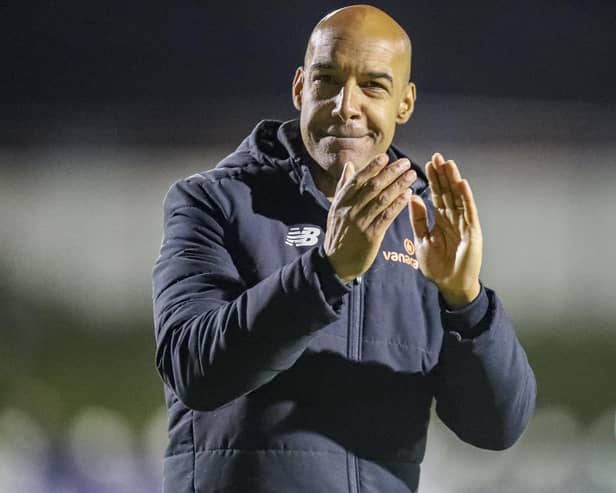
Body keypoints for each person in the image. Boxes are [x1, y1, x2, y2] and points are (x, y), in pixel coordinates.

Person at [152, 5, 536, 493]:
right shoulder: (213, 202)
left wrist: (467, 302)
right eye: (327, 80)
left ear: (405, 103)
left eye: (373, 86)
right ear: (300, 88)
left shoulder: (425, 226)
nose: (345, 104)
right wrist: (327, 272)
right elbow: (194, 369)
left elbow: (497, 427)